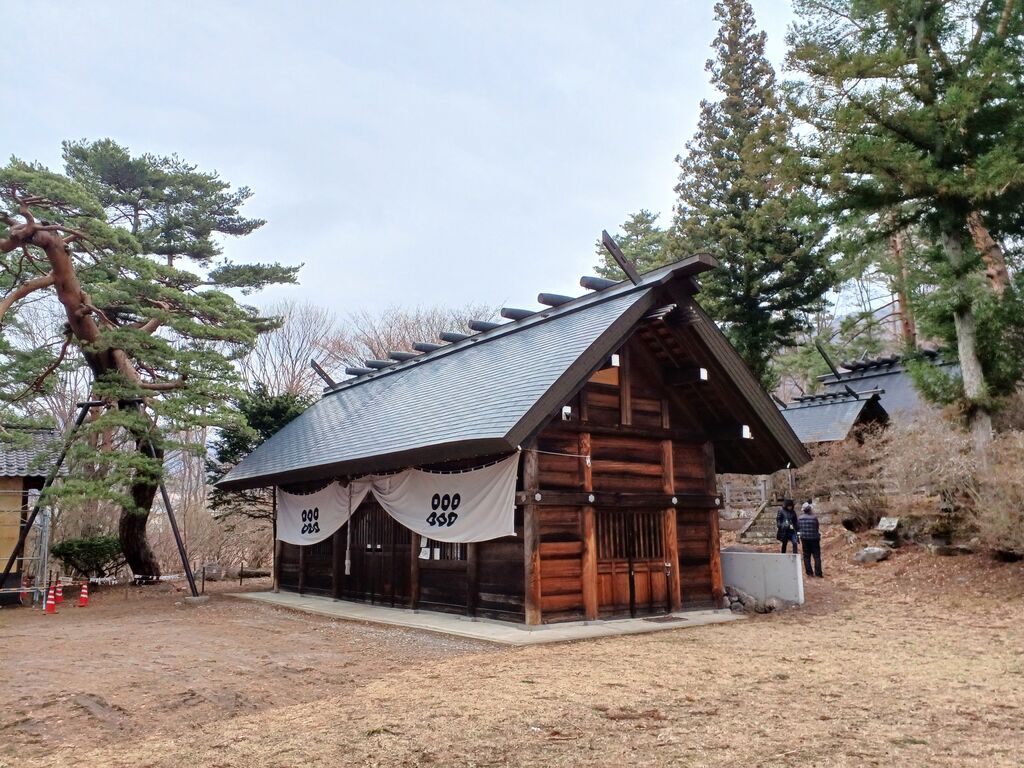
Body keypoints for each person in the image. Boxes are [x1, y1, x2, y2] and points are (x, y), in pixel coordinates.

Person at [797, 501, 823, 577]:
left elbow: (799, 528)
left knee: (806, 556)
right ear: (810, 509)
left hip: (804, 539)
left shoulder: (800, 518)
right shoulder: (814, 518)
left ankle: (809, 573)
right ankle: (818, 573)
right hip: (814, 538)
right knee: (817, 556)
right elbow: (817, 527)